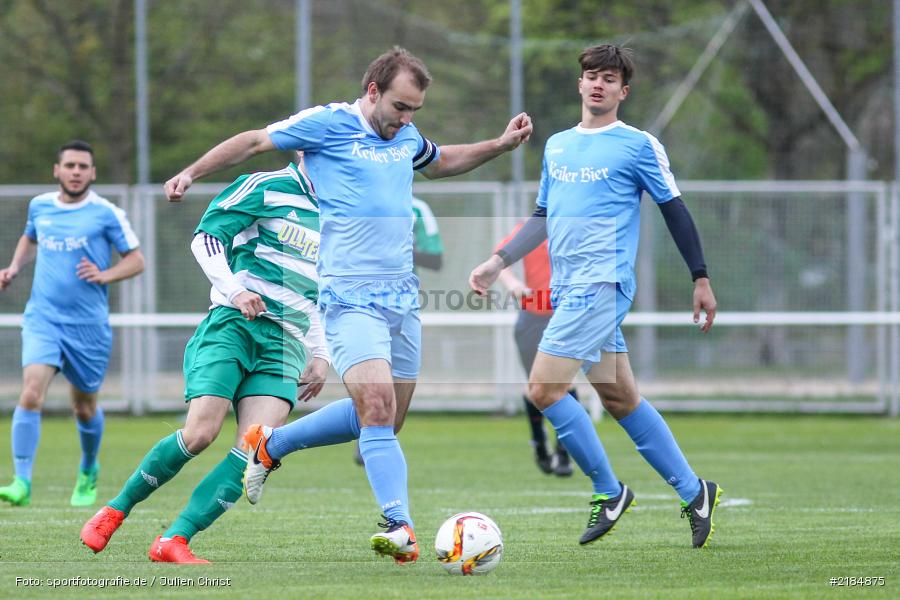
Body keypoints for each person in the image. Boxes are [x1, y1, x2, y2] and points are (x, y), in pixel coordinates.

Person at [163, 46, 532, 564]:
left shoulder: (404, 135)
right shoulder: (327, 124)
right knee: (376, 409)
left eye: (415, 112)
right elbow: (253, 141)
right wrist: (192, 172)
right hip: (347, 294)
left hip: (401, 296)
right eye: (400, 107)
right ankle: (399, 524)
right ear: (374, 91)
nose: (406, 120)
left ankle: (272, 445)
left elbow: (442, 160)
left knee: (387, 418)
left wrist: (500, 144)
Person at [469, 44, 722, 549]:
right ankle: (696, 493)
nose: (599, 84)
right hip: (569, 290)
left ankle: (609, 491)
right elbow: (542, 217)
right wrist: (499, 260)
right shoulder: (558, 145)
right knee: (620, 398)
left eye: (610, 78)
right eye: (591, 76)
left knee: (542, 391)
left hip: (602, 284)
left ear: (623, 91)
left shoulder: (638, 145)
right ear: (580, 84)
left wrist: (700, 276)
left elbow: (675, 209)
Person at [80, 159, 330, 562]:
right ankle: (116, 509)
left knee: (254, 450)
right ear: (305, 149)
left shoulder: (342, 209)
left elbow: (320, 289)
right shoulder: (266, 186)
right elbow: (207, 239)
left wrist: (320, 353)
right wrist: (234, 291)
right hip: (234, 325)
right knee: (200, 433)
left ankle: (174, 540)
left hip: (287, 343)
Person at [0, 140, 144, 508]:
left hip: (88, 326)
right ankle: (21, 481)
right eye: (70, 166)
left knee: (83, 406)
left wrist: (105, 274)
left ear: (92, 173)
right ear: (57, 170)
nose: (76, 172)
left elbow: (136, 260)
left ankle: (89, 468)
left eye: (83, 167)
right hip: (43, 318)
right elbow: (30, 238)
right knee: (32, 391)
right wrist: (15, 267)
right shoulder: (40, 206)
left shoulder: (106, 213)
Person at [352, 195, 443, 465]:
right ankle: (368, 430)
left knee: (396, 399)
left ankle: (376, 429)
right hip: (360, 299)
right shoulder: (355, 200)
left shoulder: (418, 208)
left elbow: (436, 260)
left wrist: (395, 245)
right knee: (368, 372)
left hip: (402, 304)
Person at [494, 222, 574, 477]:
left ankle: (564, 452)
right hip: (532, 316)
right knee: (535, 386)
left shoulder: (575, 227)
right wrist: (513, 284)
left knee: (564, 385)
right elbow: (498, 260)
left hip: (565, 316)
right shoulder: (528, 229)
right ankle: (539, 443)